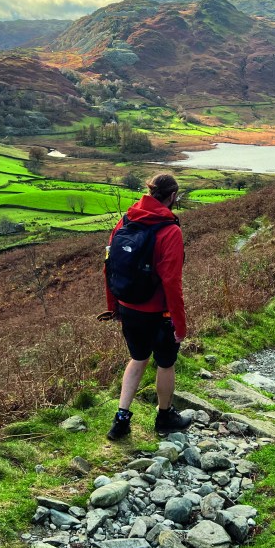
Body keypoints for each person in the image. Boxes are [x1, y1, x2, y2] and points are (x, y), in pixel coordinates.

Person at [104, 173, 191, 440]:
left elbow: (110, 267)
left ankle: (120, 420)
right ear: (173, 196)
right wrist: (180, 323)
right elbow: (172, 282)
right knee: (165, 363)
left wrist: (114, 306)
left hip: (128, 307)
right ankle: (164, 417)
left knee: (138, 358)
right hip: (159, 313)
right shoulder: (170, 231)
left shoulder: (125, 221)